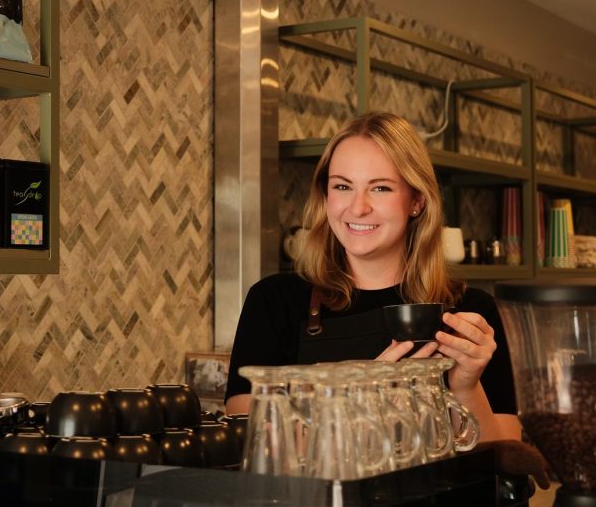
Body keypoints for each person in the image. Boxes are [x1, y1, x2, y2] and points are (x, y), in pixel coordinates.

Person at [224, 111, 523, 443]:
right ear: (326, 195)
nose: (358, 207)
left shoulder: (469, 312)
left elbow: (505, 462)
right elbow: (245, 429)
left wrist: (466, 387)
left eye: (380, 188)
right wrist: (358, 402)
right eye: (342, 186)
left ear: (417, 201)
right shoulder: (275, 300)